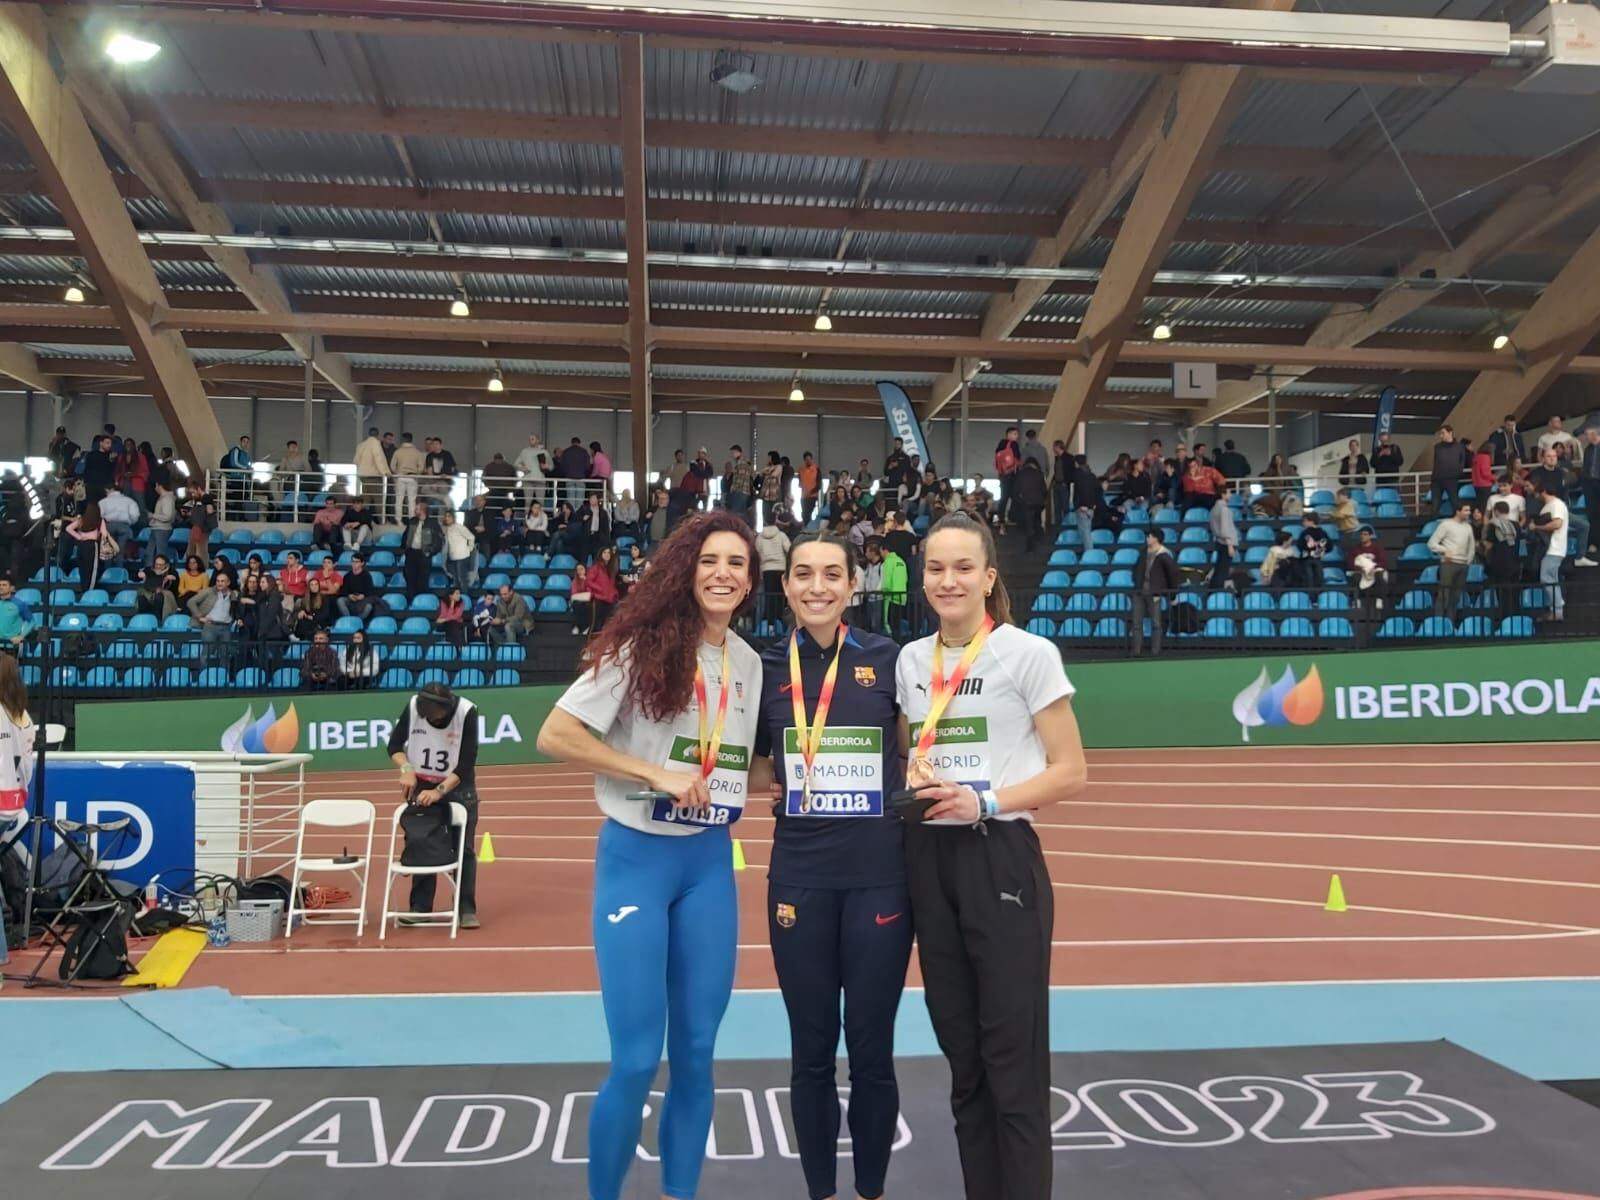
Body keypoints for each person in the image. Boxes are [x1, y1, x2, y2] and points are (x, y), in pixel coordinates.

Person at [536, 511, 761, 1200]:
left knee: (696, 1057)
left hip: (709, 867)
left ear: (751, 581)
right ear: (685, 570)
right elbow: (556, 734)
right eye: (710, 561)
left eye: (738, 564)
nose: (724, 573)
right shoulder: (641, 649)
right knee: (636, 1061)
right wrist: (652, 774)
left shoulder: (749, 663)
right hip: (637, 860)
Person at [894, 512, 1086, 1200]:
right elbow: (915, 750)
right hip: (929, 859)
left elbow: (1070, 771)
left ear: (989, 578)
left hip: (997, 853)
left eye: (963, 568)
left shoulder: (1027, 653)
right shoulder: (911, 661)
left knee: (1013, 1065)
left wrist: (988, 800)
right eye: (937, 568)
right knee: (966, 1064)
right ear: (923, 579)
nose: (949, 580)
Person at [744, 528, 910, 1200]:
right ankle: (820, 1192)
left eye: (831, 574)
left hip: (879, 876)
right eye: (803, 574)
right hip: (800, 880)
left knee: (871, 1052)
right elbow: (755, 767)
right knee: (811, 1054)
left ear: (852, 584)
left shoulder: (888, 657)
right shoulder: (761, 667)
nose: (817, 586)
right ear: (786, 587)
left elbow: (915, 747)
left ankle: (871, 1190)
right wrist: (771, 783)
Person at [388, 682, 482, 929]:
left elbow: (465, 764)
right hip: (421, 783)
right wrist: (407, 769)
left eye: (438, 716)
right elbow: (394, 746)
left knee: (464, 849)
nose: (434, 720)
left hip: (457, 787)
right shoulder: (413, 708)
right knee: (420, 842)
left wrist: (439, 791)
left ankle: (465, 907)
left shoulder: (466, 712)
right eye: (429, 716)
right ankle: (420, 906)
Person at [1132, 528, 1180, 656]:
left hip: (1154, 593)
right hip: (1140, 591)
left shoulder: (1164, 555)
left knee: (1156, 623)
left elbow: (1173, 575)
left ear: (1156, 538)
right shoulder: (1143, 553)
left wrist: (1171, 593)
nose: (1147, 538)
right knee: (1137, 623)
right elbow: (1135, 569)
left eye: (1149, 536)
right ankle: (1136, 651)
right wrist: (1137, 582)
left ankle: (1155, 651)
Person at [1427, 502, 1475, 617]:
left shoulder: (1468, 527)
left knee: (1456, 596)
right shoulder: (1446, 525)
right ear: (1458, 511)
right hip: (1449, 563)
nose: (1469, 513)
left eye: (1469, 510)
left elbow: (1471, 546)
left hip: (1463, 564)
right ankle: (1438, 622)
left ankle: (1450, 622)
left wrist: (1468, 561)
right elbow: (1431, 543)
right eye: (1466, 510)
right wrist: (1444, 550)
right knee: (1444, 594)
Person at [1530, 481, 1568, 623]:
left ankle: (1557, 610)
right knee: (1551, 579)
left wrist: (1537, 527)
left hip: (1555, 548)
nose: (1536, 496)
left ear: (1543, 491)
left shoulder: (1556, 504)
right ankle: (1555, 609)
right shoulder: (1547, 507)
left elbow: (1557, 524)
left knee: (1547, 579)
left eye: (1537, 493)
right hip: (1548, 548)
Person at [188, 572, 241, 667]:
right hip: (210, 626)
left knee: (225, 655)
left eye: (222, 581)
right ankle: (203, 677)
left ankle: (224, 677)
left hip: (226, 627)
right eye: (217, 581)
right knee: (206, 654)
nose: (219, 583)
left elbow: (236, 609)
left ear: (228, 583)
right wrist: (200, 616)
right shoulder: (208, 591)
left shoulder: (233, 594)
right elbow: (191, 602)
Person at [63, 501, 114, 589]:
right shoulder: (99, 520)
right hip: (92, 545)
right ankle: (90, 589)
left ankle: (84, 588)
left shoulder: (82, 519)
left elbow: (68, 528)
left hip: (81, 545)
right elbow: (104, 534)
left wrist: (79, 537)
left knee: (83, 569)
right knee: (92, 569)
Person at [401, 500, 443, 599]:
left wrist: (430, 552)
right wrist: (405, 548)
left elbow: (439, 540)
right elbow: (405, 535)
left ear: (423, 510)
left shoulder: (433, 523)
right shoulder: (412, 521)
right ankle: (411, 600)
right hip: (411, 553)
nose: (415, 511)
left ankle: (421, 600)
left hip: (424, 554)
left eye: (417, 509)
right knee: (409, 576)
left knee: (422, 579)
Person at [756, 515, 791, 620]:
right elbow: (790, 549)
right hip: (781, 568)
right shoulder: (781, 535)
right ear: (775, 522)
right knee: (781, 597)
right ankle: (780, 620)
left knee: (769, 598)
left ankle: (770, 623)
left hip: (767, 570)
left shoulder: (759, 538)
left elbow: (757, 554)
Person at [1430, 426, 1469, 515]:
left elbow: (1462, 461)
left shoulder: (1460, 447)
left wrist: (1458, 473)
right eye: (1440, 434)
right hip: (1437, 479)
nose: (1441, 436)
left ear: (1450, 432)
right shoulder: (1437, 447)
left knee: (1455, 504)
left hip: (1452, 479)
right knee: (1435, 506)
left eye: (1443, 433)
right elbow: (1436, 461)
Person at [1208, 482, 1239, 590]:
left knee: (1219, 568)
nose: (1230, 495)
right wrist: (1230, 544)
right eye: (1229, 492)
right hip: (1226, 543)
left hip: (1219, 541)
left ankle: (1213, 590)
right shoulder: (1224, 509)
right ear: (1223, 494)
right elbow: (1225, 528)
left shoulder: (1213, 509)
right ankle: (1218, 590)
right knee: (1223, 570)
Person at [390, 432, 426, 525]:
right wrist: (416, 473)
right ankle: (412, 519)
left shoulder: (398, 451)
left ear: (402, 440)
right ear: (411, 440)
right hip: (412, 477)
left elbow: (392, 466)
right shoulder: (417, 452)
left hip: (400, 477)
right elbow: (421, 467)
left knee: (399, 500)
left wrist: (397, 472)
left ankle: (398, 520)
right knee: (412, 500)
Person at [1014, 457, 1047, 552]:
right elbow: (1044, 490)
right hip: (1038, 503)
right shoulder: (1039, 474)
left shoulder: (1020, 475)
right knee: (1037, 522)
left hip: (1026, 503)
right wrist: (1043, 500)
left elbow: (1015, 491)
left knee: (1029, 525)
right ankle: (1041, 543)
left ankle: (1030, 547)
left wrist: (1019, 501)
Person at [0, 575, 40, 652]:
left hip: (10, 647)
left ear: (11, 588)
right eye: (0, 585)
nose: (1, 587)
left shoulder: (19, 604)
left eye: (4, 585)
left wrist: (21, 637)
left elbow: (32, 622)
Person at [135, 554, 179, 622]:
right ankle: (144, 619)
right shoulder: (149, 570)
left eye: (161, 565)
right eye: (157, 564)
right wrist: (139, 574)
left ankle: (158, 620)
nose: (158, 566)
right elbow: (135, 577)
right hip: (149, 593)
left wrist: (171, 580)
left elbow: (175, 590)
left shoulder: (172, 572)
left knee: (158, 597)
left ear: (166, 565)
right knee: (141, 596)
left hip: (165, 596)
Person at [354, 426, 390, 506]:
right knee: (378, 502)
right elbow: (378, 459)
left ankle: (365, 518)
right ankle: (381, 519)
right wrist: (384, 472)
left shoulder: (361, 445)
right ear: (378, 435)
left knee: (365, 501)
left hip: (363, 477)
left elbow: (356, 461)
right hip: (374, 478)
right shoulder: (376, 444)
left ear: (369, 434)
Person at [442, 510, 477, 592]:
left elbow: (471, 537)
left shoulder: (460, 527)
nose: (447, 518)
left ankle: (465, 596)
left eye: (449, 516)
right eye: (446, 516)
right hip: (451, 557)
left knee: (462, 579)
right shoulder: (446, 529)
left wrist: (470, 548)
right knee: (455, 579)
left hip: (462, 556)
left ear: (453, 517)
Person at [993, 427, 1021, 528]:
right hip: (1012, 474)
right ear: (1008, 434)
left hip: (1002, 475)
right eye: (1015, 434)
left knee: (1003, 498)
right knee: (1015, 497)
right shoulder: (1013, 445)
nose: (1017, 436)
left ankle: (1001, 519)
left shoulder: (1001, 444)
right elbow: (1018, 458)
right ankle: (1011, 518)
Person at [516, 433, 552, 511]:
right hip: (528, 479)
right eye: (529, 439)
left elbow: (551, 466)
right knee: (528, 502)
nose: (530, 440)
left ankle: (541, 521)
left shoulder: (544, 452)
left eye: (532, 439)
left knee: (541, 502)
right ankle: (527, 520)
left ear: (538, 440)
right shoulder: (524, 451)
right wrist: (523, 468)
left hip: (540, 479)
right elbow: (516, 463)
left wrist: (546, 466)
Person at [145, 478, 176, 568]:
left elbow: (167, 516)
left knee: (160, 554)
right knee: (149, 553)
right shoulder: (163, 498)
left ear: (160, 486)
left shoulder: (167, 499)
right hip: (157, 528)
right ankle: (150, 572)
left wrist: (153, 516)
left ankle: (161, 573)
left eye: (156, 486)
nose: (155, 488)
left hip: (162, 529)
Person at [1294, 513, 1331, 588]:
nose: (1303, 523)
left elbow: (1300, 545)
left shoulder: (1304, 533)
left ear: (1311, 521)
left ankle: (1310, 596)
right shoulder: (1323, 533)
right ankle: (1319, 596)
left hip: (1306, 559)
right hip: (1318, 558)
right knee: (1319, 578)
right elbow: (1329, 546)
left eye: (1305, 521)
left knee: (1309, 579)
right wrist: (1321, 550)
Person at [724, 444, 755, 523]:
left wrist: (733, 488)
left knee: (736, 515)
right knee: (741, 514)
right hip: (744, 491)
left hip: (740, 491)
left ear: (738, 452)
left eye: (733, 453)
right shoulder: (744, 462)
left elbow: (741, 478)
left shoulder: (741, 463)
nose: (732, 455)